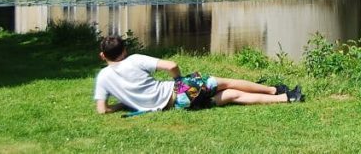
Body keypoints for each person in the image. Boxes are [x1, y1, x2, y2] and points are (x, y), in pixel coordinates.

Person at [94, 34, 303, 114]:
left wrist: (124, 103)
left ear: (103, 56)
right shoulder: (134, 60)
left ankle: (287, 98)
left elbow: (103, 110)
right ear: (124, 51)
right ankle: (276, 89)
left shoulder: (102, 78)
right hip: (180, 93)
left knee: (231, 96)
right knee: (225, 82)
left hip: (177, 106)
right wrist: (179, 81)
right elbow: (172, 65)